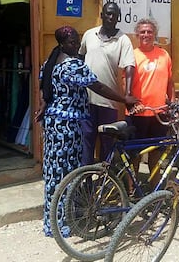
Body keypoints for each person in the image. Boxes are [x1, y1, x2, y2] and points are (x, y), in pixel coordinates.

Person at [34, 26, 138, 238]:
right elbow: (97, 86)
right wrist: (124, 99)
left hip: (53, 123)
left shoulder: (52, 60)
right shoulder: (72, 65)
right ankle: (63, 223)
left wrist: (45, 102)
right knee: (68, 173)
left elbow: (44, 84)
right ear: (63, 43)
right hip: (68, 127)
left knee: (54, 172)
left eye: (77, 41)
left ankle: (51, 222)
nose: (76, 45)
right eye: (72, 42)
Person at [79, 2, 135, 165]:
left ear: (118, 18)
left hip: (108, 102)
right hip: (85, 100)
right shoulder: (89, 35)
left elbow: (129, 66)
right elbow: (80, 57)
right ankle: (85, 183)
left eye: (115, 15)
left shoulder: (123, 40)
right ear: (102, 15)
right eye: (108, 14)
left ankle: (105, 184)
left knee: (107, 144)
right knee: (86, 142)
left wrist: (128, 94)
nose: (111, 17)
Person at [126, 18, 175, 190]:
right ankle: (131, 191)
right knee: (135, 155)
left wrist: (172, 104)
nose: (146, 35)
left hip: (159, 114)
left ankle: (155, 191)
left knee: (156, 153)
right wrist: (131, 105)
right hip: (138, 114)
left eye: (149, 31)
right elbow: (124, 84)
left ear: (154, 34)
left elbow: (170, 82)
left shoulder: (164, 55)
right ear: (137, 35)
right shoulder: (132, 55)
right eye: (143, 32)